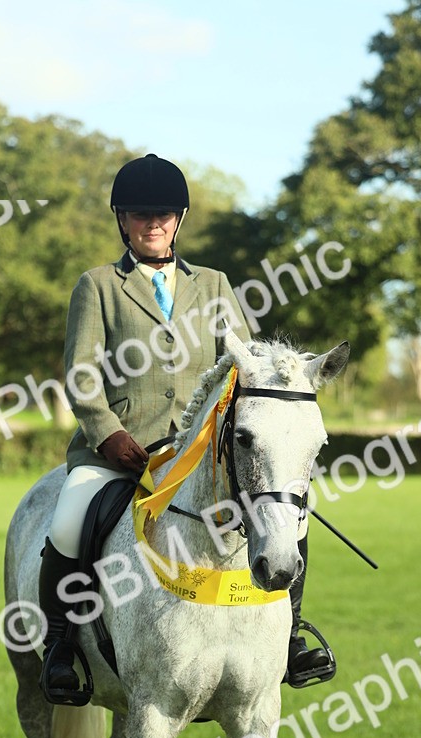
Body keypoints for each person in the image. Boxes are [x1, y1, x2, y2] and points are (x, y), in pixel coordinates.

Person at [38, 153, 332, 703]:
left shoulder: (215, 285)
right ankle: (61, 648)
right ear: (122, 220)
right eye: (142, 213)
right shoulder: (97, 286)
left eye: (166, 214)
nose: (155, 223)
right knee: (68, 520)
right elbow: (80, 377)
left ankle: (291, 638)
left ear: (179, 220)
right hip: (117, 454)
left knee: (287, 515)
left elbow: (244, 367)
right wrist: (108, 434)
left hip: (199, 455)